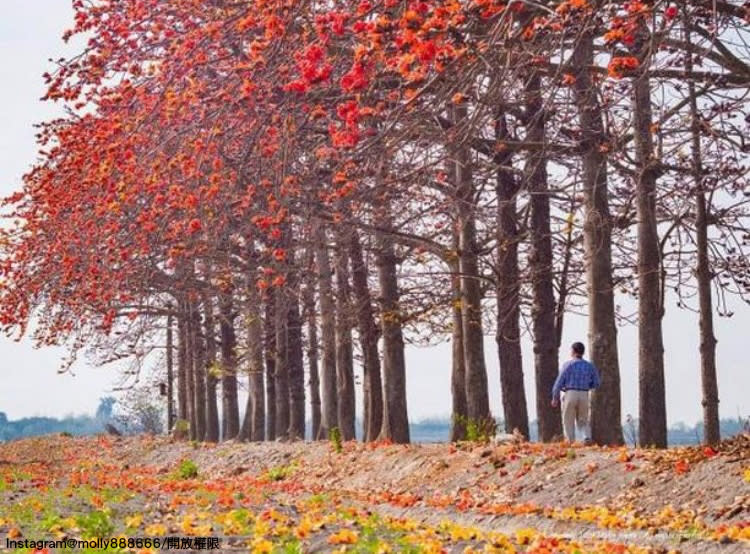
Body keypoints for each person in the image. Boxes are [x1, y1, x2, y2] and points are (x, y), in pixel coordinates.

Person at [551, 342, 600, 444]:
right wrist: (587, 385)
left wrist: (555, 396)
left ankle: (570, 440)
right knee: (583, 418)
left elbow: (559, 381)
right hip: (584, 394)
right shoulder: (590, 366)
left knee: (568, 418)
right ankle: (586, 437)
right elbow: (596, 383)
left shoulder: (567, 365)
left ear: (573, 351)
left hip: (570, 392)